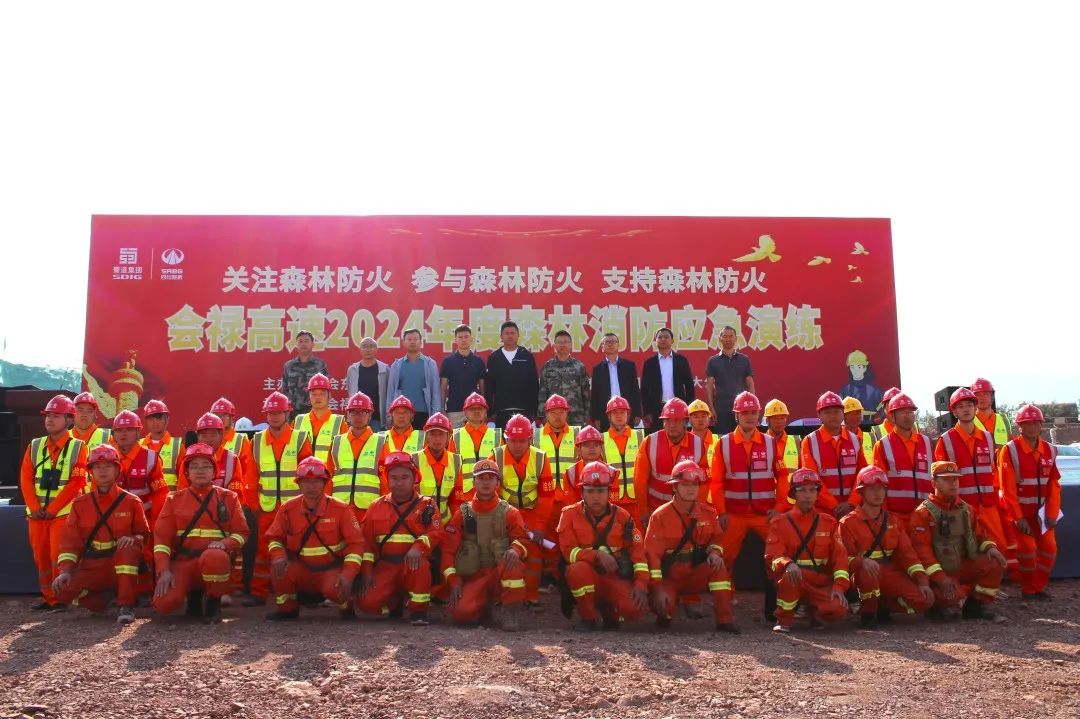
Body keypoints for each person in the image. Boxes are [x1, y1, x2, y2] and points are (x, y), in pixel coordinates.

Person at [710, 392, 789, 618]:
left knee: (779, 555)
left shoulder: (770, 443)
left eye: (753, 412)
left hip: (764, 514)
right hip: (734, 514)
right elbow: (716, 482)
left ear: (759, 415)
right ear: (737, 415)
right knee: (722, 558)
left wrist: (780, 506)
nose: (749, 417)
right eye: (744, 413)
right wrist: (721, 512)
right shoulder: (723, 445)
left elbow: (782, 476)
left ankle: (780, 605)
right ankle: (724, 603)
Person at [51, 444, 149, 624]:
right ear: (90, 472)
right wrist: (65, 571)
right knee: (61, 591)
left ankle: (126, 604)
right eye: (97, 467)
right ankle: (105, 597)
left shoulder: (131, 501)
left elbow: (144, 535)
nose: (102, 471)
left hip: (118, 562)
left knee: (128, 550)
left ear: (117, 470)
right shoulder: (80, 504)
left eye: (108, 466)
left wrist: (132, 538)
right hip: (92, 565)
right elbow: (70, 543)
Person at [152, 444, 249, 623]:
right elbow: (161, 540)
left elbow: (242, 534)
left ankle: (213, 602)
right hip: (183, 563)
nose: (200, 470)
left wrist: (225, 544)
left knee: (216, 557)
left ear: (214, 472)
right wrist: (164, 571)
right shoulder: (174, 500)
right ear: (187, 472)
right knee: (163, 604)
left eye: (206, 466)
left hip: (214, 561)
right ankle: (194, 599)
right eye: (194, 466)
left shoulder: (229, 498)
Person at [264, 457, 365, 620]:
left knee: (336, 589)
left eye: (316, 481)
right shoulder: (287, 509)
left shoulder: (341, 509)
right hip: (301, 568)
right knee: (279, 570)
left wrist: (348, 574)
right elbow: (274, 538)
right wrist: (278, 556)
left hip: (330, 570)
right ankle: (287, 610)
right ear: (298, 483)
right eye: (306, 482)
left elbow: (356, 545)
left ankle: (346, 605)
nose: (311, 486)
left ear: (325, 483)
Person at [644, 460, 739, 633]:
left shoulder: (708, 513)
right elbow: (652, 557)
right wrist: (657, 589)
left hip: (694, 575)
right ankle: (663, 614)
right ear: (674, 487)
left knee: (719, 567)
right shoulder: (660, 517)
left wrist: (714, 552)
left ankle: (725, 620)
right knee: (664, 608)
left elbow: (717, 539)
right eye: (685, 484)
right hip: (669, 578)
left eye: (695, 484)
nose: (691, 489)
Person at [559, 461, 650, 631]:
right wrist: (597, 556)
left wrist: (641, 585)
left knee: (635, 610)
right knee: (576, 570)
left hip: (614, 577)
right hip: (587, 573)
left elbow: (639, 554)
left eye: (601, 491)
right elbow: (568, 552)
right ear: (582, 492)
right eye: (590, 491)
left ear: (609, 491)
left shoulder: (623, 517)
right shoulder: (569, 514)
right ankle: (588, 617)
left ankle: (610, 613)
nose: (596, 496)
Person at [908, 461, 1006, 620]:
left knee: (994, 562)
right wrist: (941, 579)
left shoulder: (967, 509)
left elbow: (981, 534)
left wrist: (991, 548)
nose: (953, 483)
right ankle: (936, 607)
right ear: (934, 483)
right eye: (946, 479)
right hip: (940, 571)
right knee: (950, 596)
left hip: (962, 564)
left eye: (955, 479)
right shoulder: (922, 514)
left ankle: (975, 607)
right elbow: (922, 553)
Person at [838, 467, 934, 627]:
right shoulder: (847, 523)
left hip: (888, 572)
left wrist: (922, 581)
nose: (878, 493)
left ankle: (884, 606)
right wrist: (861, 562)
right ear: (861, 493)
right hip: (861, 576)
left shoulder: (893, 521)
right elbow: (841, 561)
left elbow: (908, 556)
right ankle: (868, 613)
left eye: (881, 489)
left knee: (924, 601)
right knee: (867, 573)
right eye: (872, 489)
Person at [356, 452, 444, 625]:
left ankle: (418, 611)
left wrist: (418, 547)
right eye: (394, 477)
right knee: (366, 604)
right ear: (387, 479)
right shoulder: (375, 506)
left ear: (414, 478)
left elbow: (437, 533)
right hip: (385, 565)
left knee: (419, 566)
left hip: (413, 564)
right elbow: (366, 544)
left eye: (405, 477)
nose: (399, 482)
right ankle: (394, 602)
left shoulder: (427, 504)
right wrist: (367, 572)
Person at [441, 459, 530, 631]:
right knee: (460, 614)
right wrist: (453, 580)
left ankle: (510, 612)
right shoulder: (464, 513)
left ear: (498, 482)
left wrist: (516, 549)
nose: (486, 482)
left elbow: (524, 539)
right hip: (475, 576)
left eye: (491, 478)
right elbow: (448, 551)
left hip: (499, 573)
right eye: (481, 478)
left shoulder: (509, 512)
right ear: (473, 482)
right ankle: (482, 607)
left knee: (513, 562)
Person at [242, 391, 313, 605]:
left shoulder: (300, 438)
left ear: (287, 414)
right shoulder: (255, 442)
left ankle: (301, 593)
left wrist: (309, 504)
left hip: (296, 508)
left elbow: (309, 474)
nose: (274, 416)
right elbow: (251, 477)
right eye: (271, 413)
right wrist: (253, 504)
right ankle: (258, 592)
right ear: (265, 415)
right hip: (268, 508)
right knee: (264, 550)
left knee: (298, 549)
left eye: (279, 412)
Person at [20, 395, 89, 610]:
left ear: (69, 419)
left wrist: (51, 509)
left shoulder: (79, 447)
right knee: (41, 557)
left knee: (58, 557)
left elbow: (77, 481)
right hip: (37, 515)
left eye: (56, 415)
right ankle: (48, 597)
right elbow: (25, 478)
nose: (50, 419)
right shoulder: (35, 445)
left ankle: (62, 598)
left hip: (62, 515)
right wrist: (34, 507)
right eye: (48, 415)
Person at [765, 468, 851, 633]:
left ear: (818, 493)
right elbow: (773, 556)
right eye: (802, 490)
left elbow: (840, 557)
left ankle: (815, 615)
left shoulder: (829, 522)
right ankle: (784, 619)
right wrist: (788, 564)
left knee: (839, 609)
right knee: (788, 578)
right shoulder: (779, 523)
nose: (808, 494)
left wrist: (839, 587)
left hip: (820, 582)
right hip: (794, 578)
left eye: (812, 490)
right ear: (793, 494)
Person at [934, 388, 1011, 570]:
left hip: (988, 505)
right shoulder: (945, 440)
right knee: (964, 549)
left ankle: (990, 586)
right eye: (960, 407)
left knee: (998, 544)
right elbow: (939, 479)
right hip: (961, 506)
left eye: (969, 405)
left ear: (976, 408)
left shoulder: (986, 437)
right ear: (954, 412)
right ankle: (971, 590)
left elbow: (992, 470)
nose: (966, 409)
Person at [489, 414, 555, 603]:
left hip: (532, 513)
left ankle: (531, 595)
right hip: (505, 513)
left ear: (529, 439)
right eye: (513, 441)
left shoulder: (541, 458)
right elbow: (490, 492)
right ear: (506, 439)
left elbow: (547, 495)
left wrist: (540, 525)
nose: (517, 445)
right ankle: (500, 595)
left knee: (534, 551)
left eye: (522, 441)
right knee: (498, 548)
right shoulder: (496, 456)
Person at [998, 404, 1061, 599]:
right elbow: (1007, 489)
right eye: (1027, 423)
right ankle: (1028, 589)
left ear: (1041, 425)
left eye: (1036, 423)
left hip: (1042, 514)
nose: (1032, 427)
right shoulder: (1010, 450)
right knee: (1027, 550)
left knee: (1050, 550)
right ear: (1020, 427)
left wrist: (1051, 514)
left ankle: (1038, 587)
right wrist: (1018, 518)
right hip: (1021, 514)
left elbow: (1054, 486)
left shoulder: (1050, 450)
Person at [633, 398, 708, 526]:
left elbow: (704, 482)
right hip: (655, 511)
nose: (672, 425)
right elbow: (639, 480)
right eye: (668, 420)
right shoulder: (650, 442)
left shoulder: (697, 445)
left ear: (686, 422)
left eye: (677, 420)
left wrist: (697, 510)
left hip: (686, 513)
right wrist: (644, 511)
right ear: (663, 422)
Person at [871, 392, 934, 530]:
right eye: (902, 413)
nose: (908, 416)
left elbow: (933, 479)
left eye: (910, 412)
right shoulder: (882, 445)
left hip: (925, 515)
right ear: (892, 417)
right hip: (895, 517)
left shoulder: (926, 442)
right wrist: (883, 516)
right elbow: (878, 484)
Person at [801, 391, 867, 518]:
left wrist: (852, 502)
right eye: (827, 412)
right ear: (819, 415)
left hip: (852, 511)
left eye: (836, 411)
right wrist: (833, 505)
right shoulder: (809, 441)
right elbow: (812, 478)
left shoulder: (855, 440)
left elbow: (862, 476)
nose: (833, 416)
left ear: (843, 414)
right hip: (822, 512)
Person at [326, 392, 387, 523]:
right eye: (354, 412)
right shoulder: (336, 442)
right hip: (339, 510)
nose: (358, 416)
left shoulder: (380, 442)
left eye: (363, 412)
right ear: (348, 415)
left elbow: (385, 479)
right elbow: (328, 478)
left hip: (369, 511)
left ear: (370, 415)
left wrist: (385, 509)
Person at [412, 413, 466, 524]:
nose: (437, 439)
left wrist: (455, 525)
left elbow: (457, 500)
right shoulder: (414, 460)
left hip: (446, 524)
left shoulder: (456, 461)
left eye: (441, 434)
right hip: (419, 524)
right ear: (426, 436)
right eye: (432, 434)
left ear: (448, 437)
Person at [640, 328, 695, 434]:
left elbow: (689, 386)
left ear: (672, 341)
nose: (663, 339)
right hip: (657, 409)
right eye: (659, 337)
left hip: (679, 407)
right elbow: (644, 390)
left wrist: (687, 407)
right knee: (659, 441)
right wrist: (647, 411)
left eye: (666, 337)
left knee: (679, 438)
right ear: (655, 341)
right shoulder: (649, 363)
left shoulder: (681, 360)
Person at [485, 321, 539, 428]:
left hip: (524, 411)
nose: (510, 336)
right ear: (501, 336)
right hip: (501, 412)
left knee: (523, 442)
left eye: (513, 333)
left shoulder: (526, 356)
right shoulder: (494, 358)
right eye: (506, 333)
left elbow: (533, 385)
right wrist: (490, 412)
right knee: (504, 443)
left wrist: (534, 410)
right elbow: (489, 387)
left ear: (518, 335)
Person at [387, 328, 441, 430]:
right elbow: (390, 393)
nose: (412, 342)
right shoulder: (397, 365)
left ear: (421, 342)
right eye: (409, 339)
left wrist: (435, 415)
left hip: (423, 413)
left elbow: (435, 392)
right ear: (404, 342)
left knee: (422, 444)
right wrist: (389, 417)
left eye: (415, 339)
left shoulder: (430, 364)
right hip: (402, 414)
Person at [705, 326, 755, 435]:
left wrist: (752, 405)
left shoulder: (744, 359)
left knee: (742, 438)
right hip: (721, 408)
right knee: (723, 439)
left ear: (736, 338)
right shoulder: (713, 361)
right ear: (720, 338)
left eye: (731, 336)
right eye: (725, 336)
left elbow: (750, 383)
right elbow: (709, 386)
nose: (728, 339)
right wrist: (711, 408)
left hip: (742, 408)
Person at [602, 396, 644, 523]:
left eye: (622, 412)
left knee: (639, 539)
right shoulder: (601, 440)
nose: (619, 416)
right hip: (613, 501)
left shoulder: (641, 436)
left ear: (628, 414)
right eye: (615, 413)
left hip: (637, 499)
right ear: (609, 416)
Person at [538, 330, 590, 427]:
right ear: (554, 345)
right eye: (559, 342)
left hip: (576, 416)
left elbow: (585, 393)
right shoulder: (547, 367)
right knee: (555, 442)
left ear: (571, 345)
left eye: (565, 342)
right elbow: (542, 393)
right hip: (553, 416)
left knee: (575, 442)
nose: (562, 345)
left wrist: (587, 415)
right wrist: (542, 416)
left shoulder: (579, 366)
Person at [589, 333, 641, 430]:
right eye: (607, 342)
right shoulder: (598, 369)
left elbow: (635, 391)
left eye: (613, 341)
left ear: (618, 346)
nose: (610, 344)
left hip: (626, 411)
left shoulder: (629, 366)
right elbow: (595, 395)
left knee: (627, 440)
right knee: (608, 441)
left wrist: (637, 413)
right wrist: (595, 417)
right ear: (602, 347)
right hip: (606, 412)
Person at [450, 392, 501, 491]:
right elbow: (452, 469)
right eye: (472, 409)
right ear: (465, 412)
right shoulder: (455, 437)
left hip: (491, 493)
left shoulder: (497, 436)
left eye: (480, 408)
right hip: (465, 495)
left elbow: (501, 469)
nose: (476, 411)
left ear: (486, 412)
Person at [440, 324, 486, 429]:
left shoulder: (478, 361)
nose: (463, 340)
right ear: (455, 340)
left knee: (474, 442)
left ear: (471, 339)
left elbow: (483, 388)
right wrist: (442, 408)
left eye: (466, 337)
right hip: (454, 409)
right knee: (455, 443)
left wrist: (484, 409)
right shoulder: (448, 361)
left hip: (475, 409)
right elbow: (443, 387)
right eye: (460, 337)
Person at [293, 373, 346, 462]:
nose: (318, 397)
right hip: (302, 474)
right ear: (309, 396)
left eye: (322, 393)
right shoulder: (298, 421)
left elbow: (344, 454)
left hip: (328, 475)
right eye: (313, 394)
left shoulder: (339, 423)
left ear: (329, 396)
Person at [281, 330, 329, 417]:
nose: (303, 344)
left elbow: (327, 391)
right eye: (300, 341)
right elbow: (284, 391)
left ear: (312, 344)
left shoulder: (320, 365)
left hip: (315, 412)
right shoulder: (288, 366)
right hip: (293, 413)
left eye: (306, 341)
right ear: (296, 345)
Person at [346, 337, 390, 432]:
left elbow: (388, 393)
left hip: (377, 418)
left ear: (376, 350)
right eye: (364, 346)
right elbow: (350, 391)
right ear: (360, 350)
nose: (368, 349)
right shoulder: (352, 369)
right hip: (357, 417)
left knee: (376, 445)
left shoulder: (384, 369)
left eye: (372, 346)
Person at [560, 425, 611, 505]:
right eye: (587, 445)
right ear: (579, 449)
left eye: (596, 445)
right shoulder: (570, 474)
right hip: (579, 516)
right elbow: (570, 505)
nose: (592, 448)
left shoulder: (612, 472)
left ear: (601, 448)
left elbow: (613, 506)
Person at [140, 399, 182, 491]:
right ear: (146, 421)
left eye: (159, 417)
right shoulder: (138, 445)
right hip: (144, 501)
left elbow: (184, 480)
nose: (155, 422)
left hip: (169, 501)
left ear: (167, 419)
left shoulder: (178, 445)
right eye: (151, 418)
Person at [837, 349, 883, 422]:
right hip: (849, 427)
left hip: (871, 426)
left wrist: (879, 419)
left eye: (859, 367)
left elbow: (884, 410)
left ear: (864, 368)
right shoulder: (844, 390)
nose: (855, 370)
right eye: (852, 367)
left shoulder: (874, 391)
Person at [970, 377, 1014, 447]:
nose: (982, 398)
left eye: (985, 394)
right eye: (978, 394)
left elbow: (1011, 447)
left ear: (992, 396)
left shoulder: (1003, 419)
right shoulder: (967, 421)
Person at [763, 399, 800, 470]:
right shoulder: (760, 442)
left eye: (782, 418)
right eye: (775, 418)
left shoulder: (797, 442)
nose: (779, 422)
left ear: (786, 419)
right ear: (767, 421)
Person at [843, 396, 874, 464]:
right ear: (843, 416)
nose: (854, 417)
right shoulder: (837, 438)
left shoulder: (872, 438)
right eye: (850, 413)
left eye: (857, 413)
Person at [687, 399, 718, 467]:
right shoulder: (684, 441)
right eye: (696, 417)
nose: (700, 419)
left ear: (709, 418)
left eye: (703, 416)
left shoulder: (717, 441)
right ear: (689, 419)